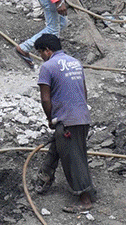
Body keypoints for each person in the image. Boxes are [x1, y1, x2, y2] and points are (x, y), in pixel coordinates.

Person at [32, 34, 94, 213]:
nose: (41, 56)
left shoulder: (48, 66)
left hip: (66, 121)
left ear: (47, 50)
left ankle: (85, 200)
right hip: (81, 117)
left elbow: (45, 99)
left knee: (74, 159)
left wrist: (51, 118)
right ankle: (45, 178)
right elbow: (84, 91)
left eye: (41, 52)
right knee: (58, 147)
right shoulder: (75, 62)